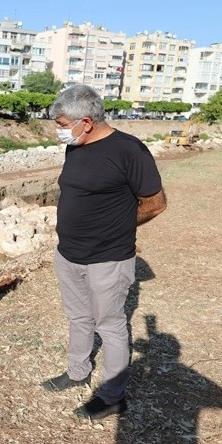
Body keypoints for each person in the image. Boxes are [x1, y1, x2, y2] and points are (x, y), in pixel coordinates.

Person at [41, 85, 167, 420]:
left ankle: (113, 395)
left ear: (86, 121)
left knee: (110, 326)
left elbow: (155, 204)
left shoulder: (130, 151)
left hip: (108, 259)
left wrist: (122, 229)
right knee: (78, 317)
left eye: (62, 123)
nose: (58, 130)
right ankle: (77, 371)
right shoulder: (77, 145)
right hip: (68, 254)